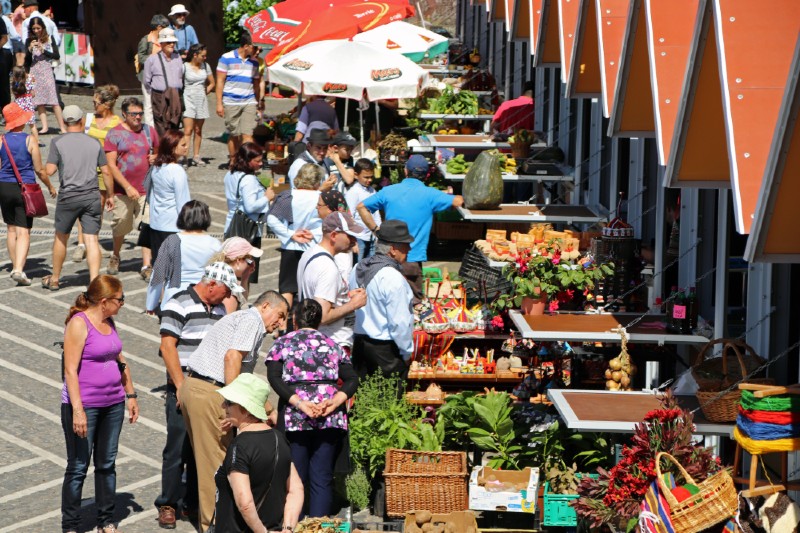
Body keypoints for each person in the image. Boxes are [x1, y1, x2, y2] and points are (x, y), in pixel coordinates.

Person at [179, 289, 288, 533]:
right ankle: (213, 526)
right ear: (266, 306)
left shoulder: (247, 320)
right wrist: (233, 406)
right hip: (210, 392)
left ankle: (214, 520)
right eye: (280, 315)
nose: (280, 323)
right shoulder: (252, 321)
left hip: (201, 389)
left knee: (211, 461)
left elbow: (244, 375)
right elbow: (231, 360)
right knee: (217, 467)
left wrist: (267, 409)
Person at [265, 299, 359, 518]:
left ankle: (293, 525)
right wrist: (334, 402)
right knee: (322, 476)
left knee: (295, 478)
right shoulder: (332, 344)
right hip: (330, 417)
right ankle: (318, 526)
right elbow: (352, 379)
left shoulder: (283, 343)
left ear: (295, 320)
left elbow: (274, 377)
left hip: (295, 417)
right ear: (319, 321)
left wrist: (299, 402)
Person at [154, 262, 231, 529]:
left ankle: (194, 501)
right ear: (212, 285)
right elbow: (168, 347)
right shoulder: (179, 303)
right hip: (182, 387)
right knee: (176, 449)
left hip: (208, 390)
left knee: (202, 449)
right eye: (226, 290)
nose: (228, 296)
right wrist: (181, 387)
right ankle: (167, 504)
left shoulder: (220, 309)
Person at [60, 275, 139, 533]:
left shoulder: (109, 321)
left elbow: (119, 357)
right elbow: (70, 371)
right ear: (104, 301)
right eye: (120, 300)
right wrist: (78, 411)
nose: (123, 304)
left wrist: (131, 392)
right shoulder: (78, 324)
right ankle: (71, 524)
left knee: (106, 464)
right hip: (86, 406)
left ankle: (106, 519)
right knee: (79, 466)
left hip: (113, 403)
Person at [356, 155, 463, 302]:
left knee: (384, 302)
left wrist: (376, 230)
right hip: (412, 260)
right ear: (426, 175)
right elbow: (458, 201)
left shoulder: (389, 191)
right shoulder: (431, 194)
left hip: (386, 257)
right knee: (413, 307)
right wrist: (447, 196)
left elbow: (361, 207)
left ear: (406, 171)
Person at [214, 374, 304, 532]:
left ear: (245, 408)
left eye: (229, 402)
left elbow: (245, 503)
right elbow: (296, 489)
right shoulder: (279, 438)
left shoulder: (239, 446)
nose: (223, 406)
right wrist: (288, 528)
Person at [43, 105, 114, 290]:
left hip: (68, 197)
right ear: (82, 121)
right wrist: (111, 195)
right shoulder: (94, 143)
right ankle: (93, 281)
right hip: (91, 196)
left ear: (64, 123)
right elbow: (106, 172)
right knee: (92, 240)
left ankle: (56, 278)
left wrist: (43, 173)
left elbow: (49, 170)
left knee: (61, 237)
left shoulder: (57, 142)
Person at [349, 220, 415, 379]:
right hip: (385, 352)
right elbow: (399, 322)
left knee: (364, 397)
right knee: (389, 399)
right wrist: (406, 353)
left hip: (360, 344)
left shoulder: (358, 268)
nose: (409, 249)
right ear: (393, 250)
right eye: (405, 246)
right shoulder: (392, 277)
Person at [0, 102, 55, 285]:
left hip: (4, 186)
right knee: (24, 231)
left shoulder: (1, 140)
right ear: (21, 122)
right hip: (25, 188)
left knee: (10, 228)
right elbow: (39, 169)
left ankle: (14, 263)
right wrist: (49, 186)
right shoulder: (30, 140)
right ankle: (18, 269)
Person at [103, 97, 159, 279]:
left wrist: (156, 158)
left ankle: (146, 265)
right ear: (124, 114)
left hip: (146, 189)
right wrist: (126, 187)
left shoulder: (149, 132)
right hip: (122, 192)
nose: (138, 117)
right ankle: (116, 254)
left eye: (140, 114)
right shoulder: (114, 134)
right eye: (133, 114)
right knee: (120, 224)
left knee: (147, 226)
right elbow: (111, 165)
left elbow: (160, 153)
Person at [297, 212, 368, 353]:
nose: (354, 240)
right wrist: (353, 304)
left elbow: (315, 293)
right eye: (350, 236)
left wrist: (343, 295)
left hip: (314, 341)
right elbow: (322, 316)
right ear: (334, 235)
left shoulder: (309, 254)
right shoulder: (328, 268)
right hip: (331, 345)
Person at [146, 200, 222, 313]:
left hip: (174, 299)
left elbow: (158, 275)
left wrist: (151, 304)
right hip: (203, 298)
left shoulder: (172, 241)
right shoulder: (214, 244)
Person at [267, 163, 324, 309]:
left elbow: (271, 219)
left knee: (288, 288)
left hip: (291, 246)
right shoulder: (322, 198)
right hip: (314, 246)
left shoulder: (288, 196)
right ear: (318, 181)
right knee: (311, 288)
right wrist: (315, 234)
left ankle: (283, 326)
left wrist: (290, 234)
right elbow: (330, 221)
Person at [76, 84, 121, 267]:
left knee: (98, 208)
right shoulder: (88, 119)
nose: (94, 106)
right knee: (83, 206)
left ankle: (92, 240)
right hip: (86, 169)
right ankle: (81, 244)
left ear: (107, 104)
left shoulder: (117, 123)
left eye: (96, 103)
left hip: (105, 171)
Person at [223, 142, 273, 280]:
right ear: (246, 161)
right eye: (257, 161)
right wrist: (266, 198)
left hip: (231, 226)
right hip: (247, 229)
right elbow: (251, 206)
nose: (261, 163)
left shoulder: (230, 174)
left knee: (230, 273)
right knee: (244, 276)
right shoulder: (249, 179)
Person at [216, 33, 262, 169]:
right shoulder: (226, 58)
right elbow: (220, 81)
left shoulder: (254, 62)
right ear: (246, 46)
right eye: (255, 48)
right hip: (231, 101)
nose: (257, 51)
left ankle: (247, 163)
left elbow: (256, 83)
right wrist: (219, 103)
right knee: (234, 134)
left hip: (249, 101)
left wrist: (258, 102)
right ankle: (233, 159)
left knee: (247, 134)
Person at [148, 129, 191, 263]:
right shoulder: (177, 171)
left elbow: (151, 196)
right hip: (173, 226)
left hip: (157, 224)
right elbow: (182, 202)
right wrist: (188, 227)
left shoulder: (157, 167)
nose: (186, 147)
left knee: (159, 268)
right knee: (173, 271)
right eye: (183, 145)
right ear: (172, 148)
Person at [24, 15, 65, 134]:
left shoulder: (49, 39)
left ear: (42, 27)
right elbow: (26, 61)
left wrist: (44, 50)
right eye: (34, 29)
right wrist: (29, 49)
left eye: (38, 28)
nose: (36, 31)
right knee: (39, 100)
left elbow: (56, 56)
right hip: (35, 71)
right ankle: (45, 126)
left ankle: (62, 127)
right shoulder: (28, 40)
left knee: (54, 100)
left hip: (47, 71)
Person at [144, 28, 183, 138]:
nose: (172, 45)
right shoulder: (152, 59)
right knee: (161, 125)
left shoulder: (178, 57)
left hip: (176, 96)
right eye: (169, 42)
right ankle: (162, 151)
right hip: (160, 96)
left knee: (175, 125)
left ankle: (172, 152)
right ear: (161, 43)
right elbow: (147, 81)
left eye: (173, 42)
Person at [209, 237, 262, 313]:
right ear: (238, 260)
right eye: (249, 260)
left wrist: (245, 277)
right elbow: (227, 320)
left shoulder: (222, 274)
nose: (252, 263)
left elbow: (243, 300)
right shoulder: (228, 289)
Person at [182, 43, 214, 167]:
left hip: (201, 99)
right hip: (188, 98)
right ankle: (184, 157)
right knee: (188, 130)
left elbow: (212, 83)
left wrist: (204, 92)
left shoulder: (206, 66)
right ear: (195, 55)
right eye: (203, 56)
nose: (205, 58)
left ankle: (196, 156)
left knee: (198, 130)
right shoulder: (184, 66)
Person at [137, 14, 170, 127]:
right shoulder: (146, 40)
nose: (168, 29)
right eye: (166, 26)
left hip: (163, 76)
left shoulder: (165, 40)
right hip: (148, 76)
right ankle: (150, 129)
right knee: (148, 103)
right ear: (159, 27)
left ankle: (162, 124)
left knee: (162, 101)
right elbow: (141, 58)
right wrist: (156, 60)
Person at [345, 158, 380, 261]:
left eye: (371, 177)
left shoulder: (372, 191)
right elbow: (349, 216)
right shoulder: (353, 192)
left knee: (371, 266)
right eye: (366, 177)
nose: (369, 180)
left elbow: (376, 214)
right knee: (358, 266)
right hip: (358, 238)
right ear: (356, 175)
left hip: (372, 236)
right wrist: (352, 239)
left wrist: (378, 233)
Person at [9, 65, 36, 142]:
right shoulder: (29, 79)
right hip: (29, 105)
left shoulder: (15, 83)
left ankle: (15, 139)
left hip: (18, 105)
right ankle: (37, 141)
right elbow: (33, 94)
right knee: (32, 125)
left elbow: (14, 94)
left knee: (17, 123)